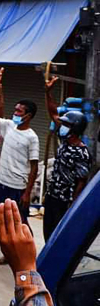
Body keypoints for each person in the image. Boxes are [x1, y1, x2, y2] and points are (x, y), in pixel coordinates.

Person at [0, 67, 39, 266]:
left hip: (17, 187)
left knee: (21, 222)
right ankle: (8, 255)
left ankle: (30, 253)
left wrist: (27, 192)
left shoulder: (32, 137)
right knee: (2, 221)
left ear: (29, 115)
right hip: (1, 182)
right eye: (16, 110)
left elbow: (34, 167)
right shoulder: (8, 126)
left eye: (19, 111)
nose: (15, 113)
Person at [42, 76, 91, 242]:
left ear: (75, 128)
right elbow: (54, 113)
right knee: (47, 233)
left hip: (65, 202)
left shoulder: (82, 153)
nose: (62, 127)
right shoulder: (64, 140)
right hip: (52, 196)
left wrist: (72, 206)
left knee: (58, 238)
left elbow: (81, 181)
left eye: (67, 125)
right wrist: (48, 92)